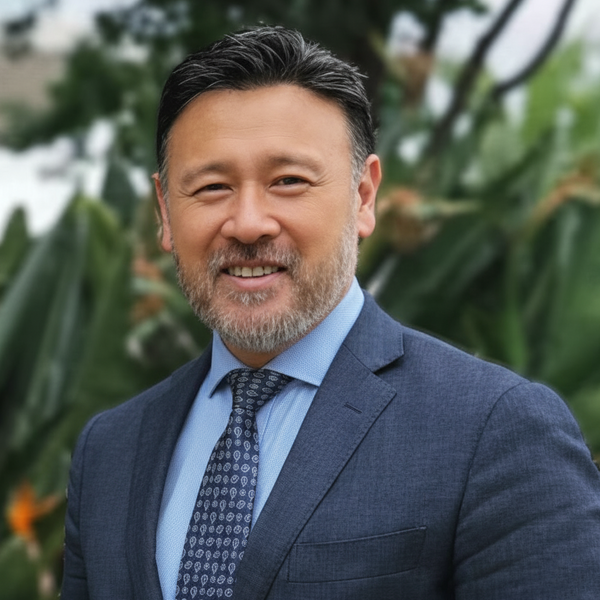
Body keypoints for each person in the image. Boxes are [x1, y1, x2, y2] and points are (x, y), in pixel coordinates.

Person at [61, 26, 600, 600]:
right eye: (212, 187)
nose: (248, 224)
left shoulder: (495, 429)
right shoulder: (110, 451)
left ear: (363, 197)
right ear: (165, 213)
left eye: (288, 181)